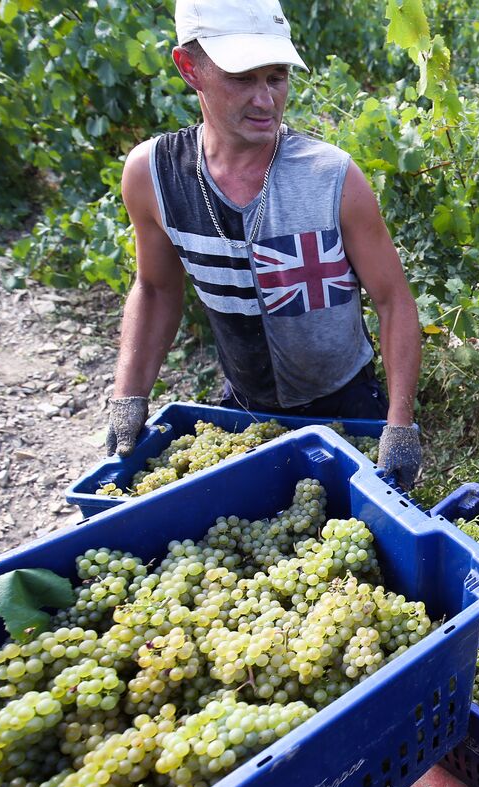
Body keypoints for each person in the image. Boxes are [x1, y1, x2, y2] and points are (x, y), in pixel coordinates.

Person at [104, 0, 422, 489]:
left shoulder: (331, 176)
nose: (265, 100)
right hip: (246, 411)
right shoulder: (155, 175)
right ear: (190, 68)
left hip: (349, 405)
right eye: (241, 78)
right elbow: (154, 289)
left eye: (276, 77)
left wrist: (399, 424)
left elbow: (393, 300)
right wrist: (129, 397)